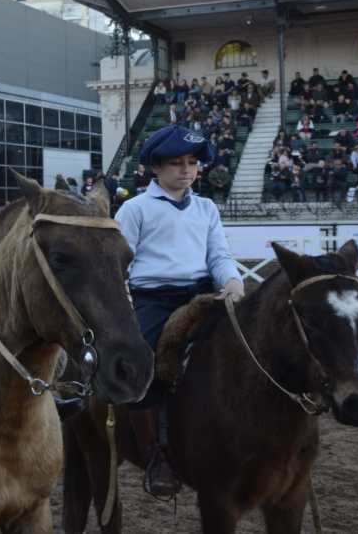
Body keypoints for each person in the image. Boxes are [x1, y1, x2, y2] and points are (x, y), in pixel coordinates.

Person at [114, 124, 243, 497]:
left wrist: (233, 283)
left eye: (192, 162)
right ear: (155, 167)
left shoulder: (206, 207)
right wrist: (124, 305)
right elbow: (119, 263)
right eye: (176, 163)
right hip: (152, 299)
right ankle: (157, 455)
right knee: (144, 366)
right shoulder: (135, 209)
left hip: (202, 294)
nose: (186, 169)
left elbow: (219, 254)